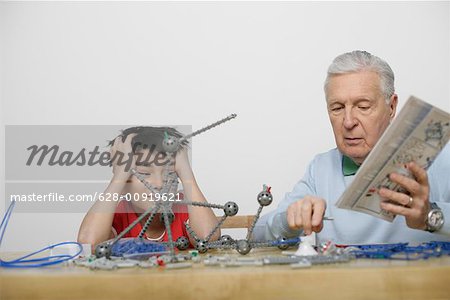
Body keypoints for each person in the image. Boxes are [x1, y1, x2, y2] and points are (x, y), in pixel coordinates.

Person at [255, 50, 450, 244]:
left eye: (363, 107)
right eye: (337, 108)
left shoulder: (442, 156)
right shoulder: (321, 168)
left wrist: (431, 216)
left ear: (391, 107)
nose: (348, 122)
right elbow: (256, 234)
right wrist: (289, 221)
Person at [78, 126, 220, 248]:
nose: (159, 184)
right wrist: (119, 176)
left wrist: (186, 172)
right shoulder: (119, 213)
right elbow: (89, 244)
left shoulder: (186, 208)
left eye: (170, 173)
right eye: (143, 173)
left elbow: (208, 238)